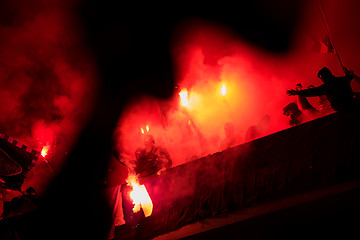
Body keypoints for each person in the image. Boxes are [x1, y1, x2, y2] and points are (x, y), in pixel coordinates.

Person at [287, 67, 358, 112]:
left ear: (327, 75)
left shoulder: (327, 87)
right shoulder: (343, 79)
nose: (322, 80)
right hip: (351, 107)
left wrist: (298, 93)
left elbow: (312, 92)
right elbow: (350, 76)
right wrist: (349, 75)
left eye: (322, 77)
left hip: (345, 110)